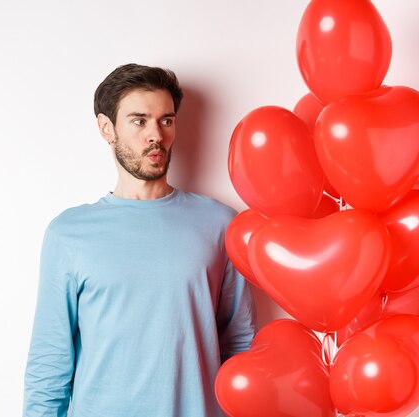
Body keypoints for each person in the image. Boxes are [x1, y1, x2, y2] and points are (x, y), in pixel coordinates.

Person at [23, 63, 257, 417]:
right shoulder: (69, 234)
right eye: (139, 120)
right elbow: (50, 363)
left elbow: (241, 344)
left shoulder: (219, 224)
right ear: (107, 128)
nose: (156, 135)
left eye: (166, 120)